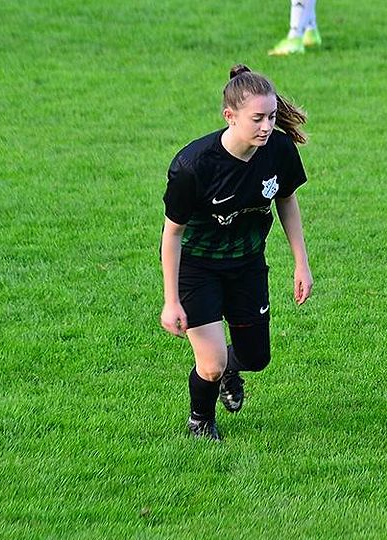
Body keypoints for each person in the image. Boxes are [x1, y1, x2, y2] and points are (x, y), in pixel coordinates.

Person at [161, 64, 314, 441]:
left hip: (247, 265)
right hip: (198, 268)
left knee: (257, 358)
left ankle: (232, 369)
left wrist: (301, 263)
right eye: (257, 119)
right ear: (229, 116)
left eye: (272, 117)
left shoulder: (278, 149)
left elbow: (286, 200)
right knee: (211, 364)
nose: (267, 127)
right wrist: (171, 301)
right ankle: (200, 421)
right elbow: (172, 234)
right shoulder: (193, 166)